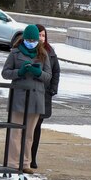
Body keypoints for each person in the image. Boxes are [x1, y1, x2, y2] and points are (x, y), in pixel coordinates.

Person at [1, 24, 52, 174]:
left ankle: (25, 162)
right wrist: (20, 72)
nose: (31, 41)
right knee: (15, 132)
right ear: (24, 39)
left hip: (36, 98)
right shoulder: (15, 53)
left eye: (34, 39)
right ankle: (13, 162)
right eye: (28, 39)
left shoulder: (43, 54)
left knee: (29, 133)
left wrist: (38, 73)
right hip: (18, 97)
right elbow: (5, 73)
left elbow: (48, 76)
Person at [28, 24, 60, 170]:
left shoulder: (50, 52)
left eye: (43, 35)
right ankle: (23, 156)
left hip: (44, 94)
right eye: (39, 35)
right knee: (26, 127)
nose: (41, 38)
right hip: (29, 93)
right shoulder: (28, 50)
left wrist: (53, 89)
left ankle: (32, 157)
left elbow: (56, 71)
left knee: (37, 126)